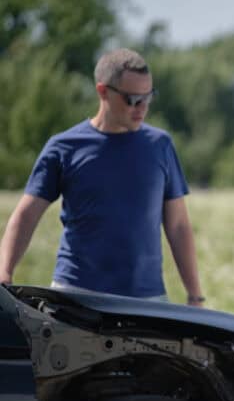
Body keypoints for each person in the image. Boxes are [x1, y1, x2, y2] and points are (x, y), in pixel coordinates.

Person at [0, 48, 205, 306]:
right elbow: (26, 215)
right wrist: (4, 271)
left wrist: (195, 294)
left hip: (148, 300)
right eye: (132, 99)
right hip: (75, 297)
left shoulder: (160, 145)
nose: (142, 108)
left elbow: (178, 226)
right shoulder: (63, 147)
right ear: (103, 91)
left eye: (148, 97)